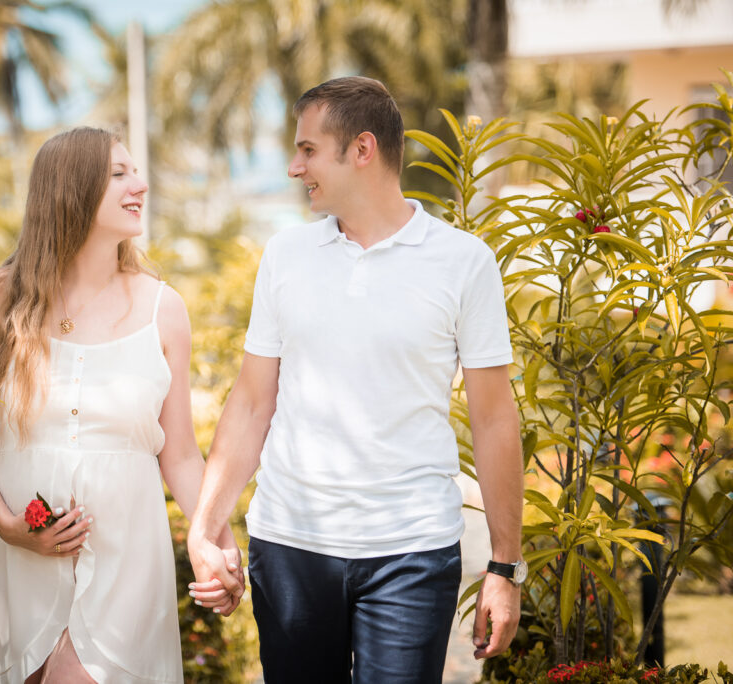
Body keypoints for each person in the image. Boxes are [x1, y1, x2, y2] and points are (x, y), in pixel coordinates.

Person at [187, 77, 525, 683]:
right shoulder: (286, 255)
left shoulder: (463, 261)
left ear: (362, 149)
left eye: (308, 150)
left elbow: (495, 417)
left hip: (412, 552)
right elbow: (251, 401)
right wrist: (207, 526)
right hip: (290, 544)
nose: (294, 167)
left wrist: (504, 568)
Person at [0, 127, 239, 684]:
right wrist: (6, 525)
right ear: (72, 189)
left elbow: (182, 455)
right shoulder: (1, 297)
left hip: (125, 556)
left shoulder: (162, 308)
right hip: (13, 554)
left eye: (135, 171)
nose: (139, 185)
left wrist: (218, 540)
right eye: (119, 173)